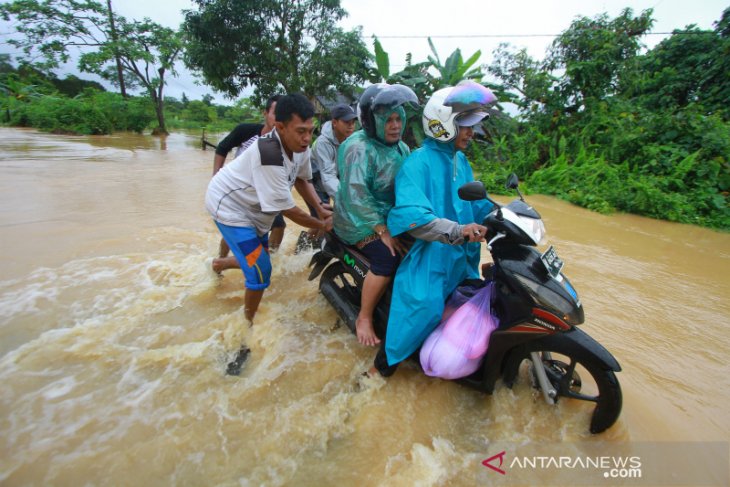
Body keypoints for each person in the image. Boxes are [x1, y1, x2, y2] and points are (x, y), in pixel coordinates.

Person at [371, 80, 498, 376]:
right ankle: (380, 368)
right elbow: (414, 217)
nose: (470, 132)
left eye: (471, 125)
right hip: (430, 257)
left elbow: (476, 202)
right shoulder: (418, 164)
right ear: (443, 125)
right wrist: (458, 230)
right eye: (464, 125)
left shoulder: (460, 160)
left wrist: (499, 216)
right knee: (423, 306)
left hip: (460, 257)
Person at [206, 93, 333, 325]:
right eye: (301, 131)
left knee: (261, 258)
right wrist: (322, 225)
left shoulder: (301, 148)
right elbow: (288, 209)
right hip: (229, 208)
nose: (307, 138)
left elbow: (302, 180)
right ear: (280, 127)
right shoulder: (269, 152)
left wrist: (320, 209)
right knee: (261, 269)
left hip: (255, 209)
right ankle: (247, 325)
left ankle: (219, 263)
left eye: (310, 131)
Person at [333, 83, 419, 347]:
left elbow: (409, 186)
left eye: (398, 119)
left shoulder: (401, 149)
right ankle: (365, 316)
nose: (394, 125)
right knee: (387, 259)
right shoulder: (358, 148)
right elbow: (356, 196)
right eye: (387, 120)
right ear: (372, 121)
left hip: (387, 218)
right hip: (356, 221)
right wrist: (382, 230)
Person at [212, 95, 287, 257]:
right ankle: (221, 259)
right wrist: (215, 175)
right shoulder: (245, 131)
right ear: (265, 113)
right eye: (276, 113)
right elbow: (222, 148)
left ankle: (269, 259)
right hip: (239, 192)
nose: (279, 119)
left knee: (279, 226)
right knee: (234, 229)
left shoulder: (285, 142)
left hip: (265, 193)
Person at [310, 103, 358, 206]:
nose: (351, 125)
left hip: (335, 178)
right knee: (323, 216)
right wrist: (345, 198)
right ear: (334, 123)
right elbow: (327, 175)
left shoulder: (351, 140)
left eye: (353, 122)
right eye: (346, 122)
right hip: (316, 184)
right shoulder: (322, 143)